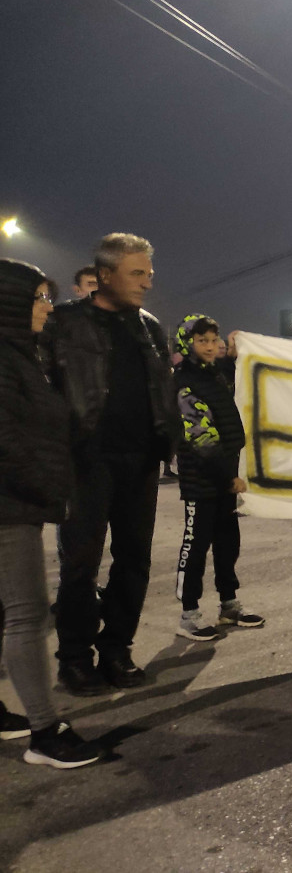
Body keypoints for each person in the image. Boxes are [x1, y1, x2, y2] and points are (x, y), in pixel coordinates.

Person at [41, 233, 180, 696]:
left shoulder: (149, 326)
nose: (147, 282)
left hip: (139, 459)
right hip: (85, 461)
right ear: (104, 274)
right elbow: (44, 392)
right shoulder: (62, 324)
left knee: (134, 560)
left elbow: (162, 390)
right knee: (80, 565)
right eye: (137, 273)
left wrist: (170, 439)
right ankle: (74, 659)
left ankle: (118, 649)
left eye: (149, 273)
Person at [0, 259, 101, 768]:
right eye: (38, 298)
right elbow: (8, 440)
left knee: (6, 614)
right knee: (27, 616)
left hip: (16, 497)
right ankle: (45, 732)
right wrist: (50, 487)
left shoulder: (22, 354)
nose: (46, 307)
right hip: (7, 505)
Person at [171, 315, 265, 641]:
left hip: (225, 477)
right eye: (202, 341)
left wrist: (238, 349)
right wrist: (229, 477)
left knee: (228, 544)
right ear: (187, 344)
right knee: (195, 548)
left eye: (214, 340)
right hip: (203, 479)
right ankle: (188, 616)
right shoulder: (184, 383)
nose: (211, 347)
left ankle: (229, 605)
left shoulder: (214, 376)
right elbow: (201, 439)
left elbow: (232, 371)